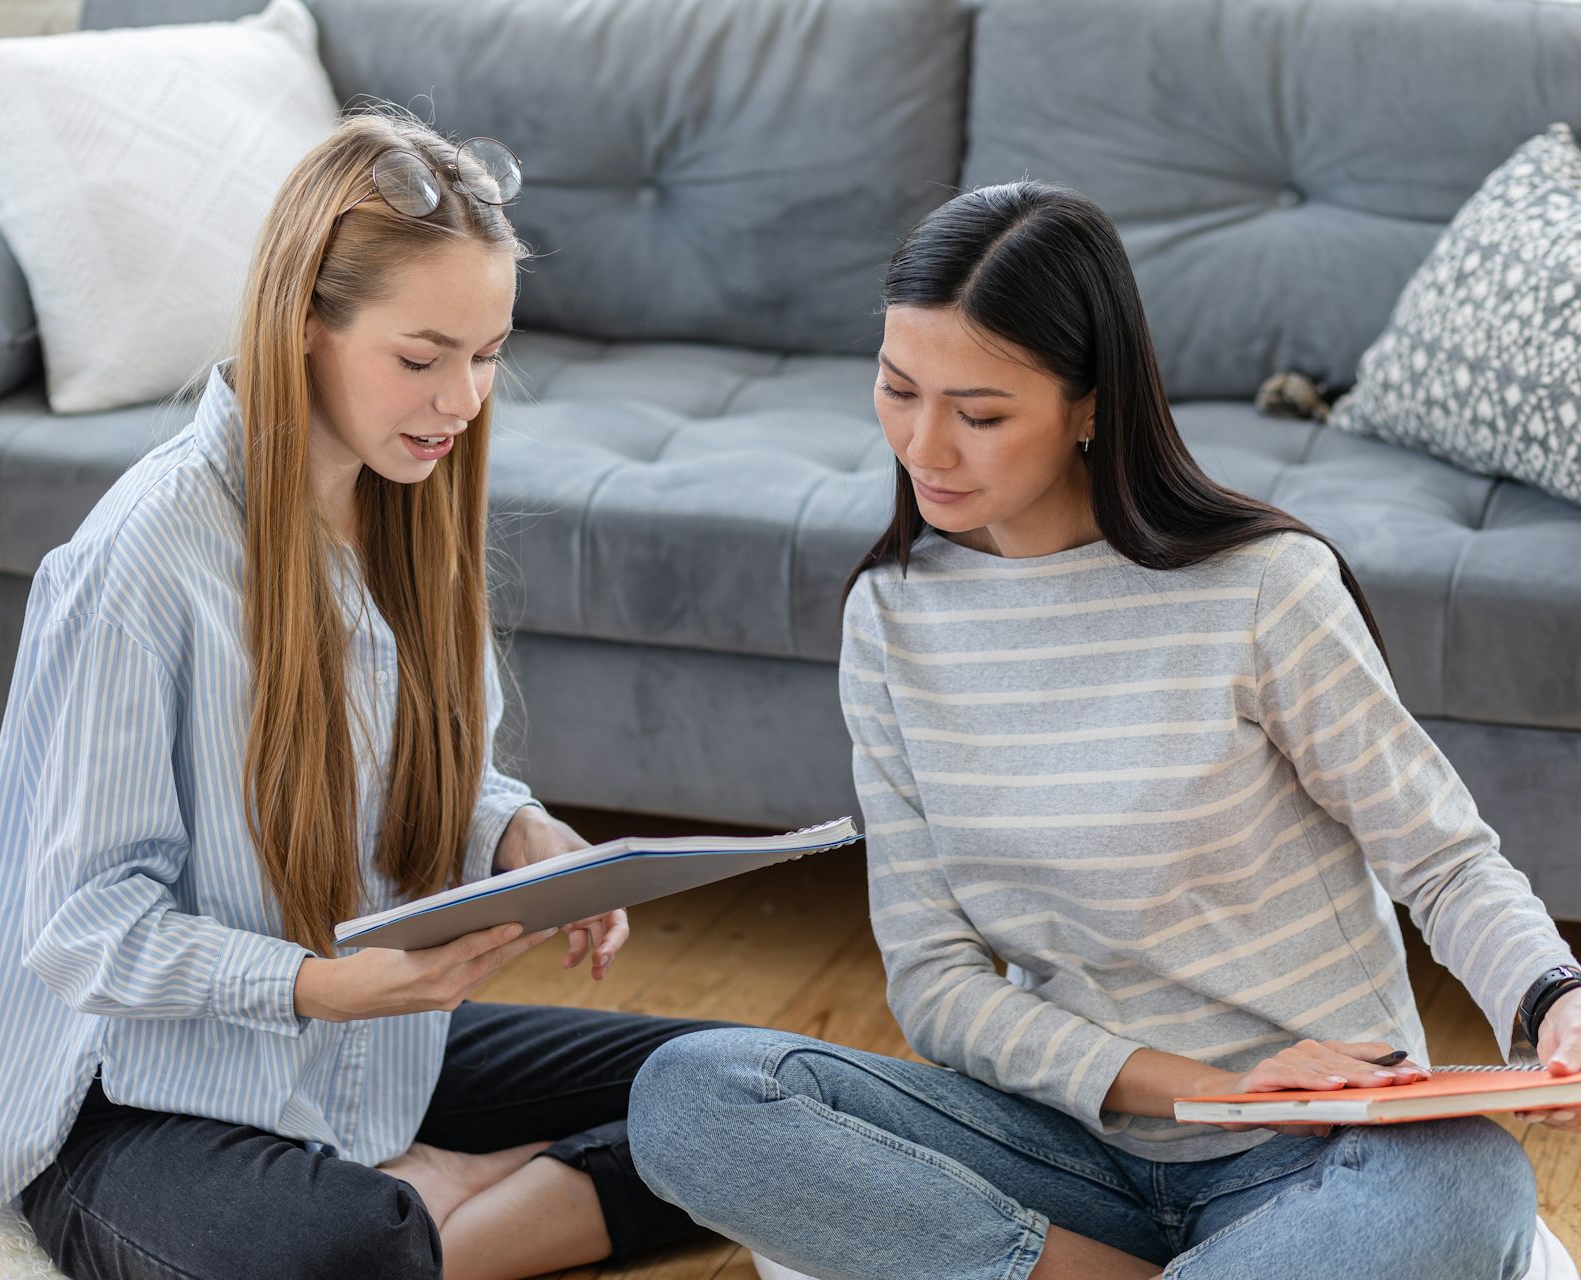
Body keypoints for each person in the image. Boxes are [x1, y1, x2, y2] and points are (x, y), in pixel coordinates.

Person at [627, 180, 1581, 1280]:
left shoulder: (1264, 589)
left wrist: (1552, 995)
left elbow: (1444, 858)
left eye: (980, 414)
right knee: (694, 1093)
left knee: (1465, 1183)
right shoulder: (891, 618)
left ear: (1091, 403)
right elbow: (936, 979)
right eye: (897, 389)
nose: (924, 445)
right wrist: (1194, 1086)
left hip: (1316, 1150)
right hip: (1071, 1154)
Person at [0, 112, 729, 1280]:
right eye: (422, 356)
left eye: (489, 352)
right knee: (346, 1243)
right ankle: (428, 1203)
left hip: (371, 1050)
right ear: (305, 321)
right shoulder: (143, 563)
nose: (462, 397)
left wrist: (516, 827)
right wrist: (316, 985)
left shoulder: (412, 503)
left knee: (737, 1082)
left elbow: (434, 759)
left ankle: (437, 1195)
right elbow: (82, 923)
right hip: (131, 1098)